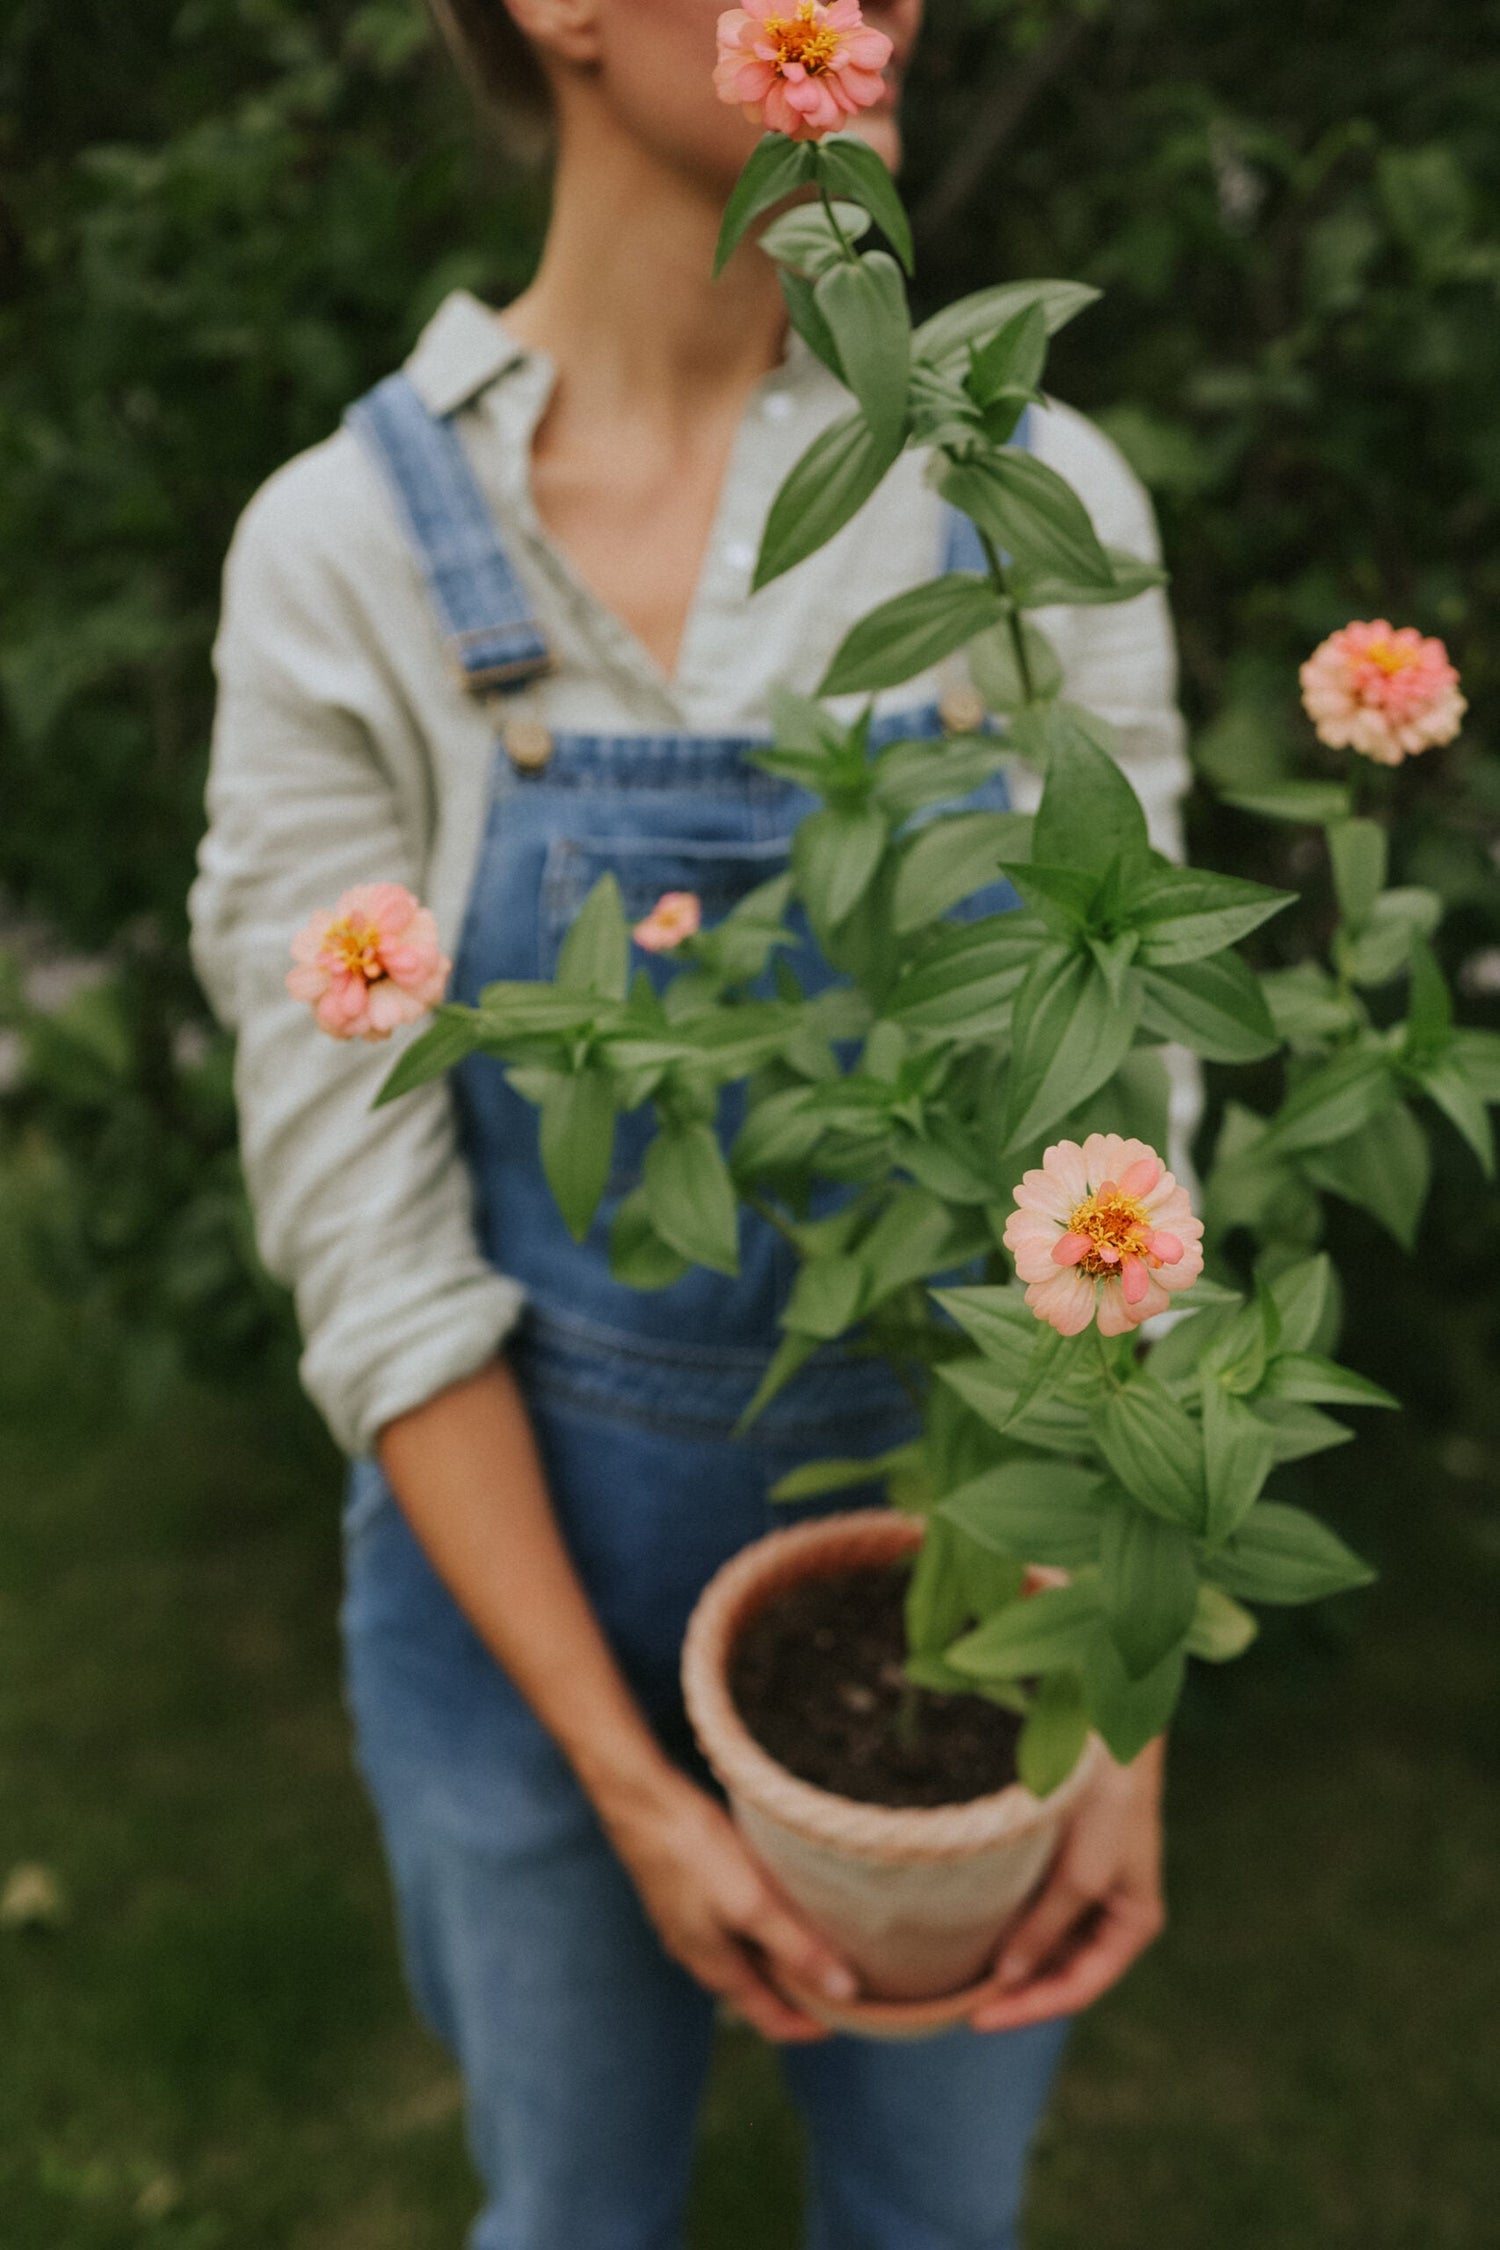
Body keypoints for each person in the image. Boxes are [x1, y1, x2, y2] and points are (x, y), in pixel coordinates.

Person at [190, 3, 1184, 2242]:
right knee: (569, 2214)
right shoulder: (344, 553)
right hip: (514, 1604)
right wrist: (630, 1782)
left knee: (937, 2221)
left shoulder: (1021, 499)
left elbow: (1124, 1112)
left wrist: (1123, 1675)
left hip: (974, 1569)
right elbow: (368, 1243)